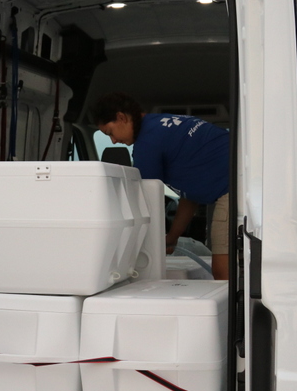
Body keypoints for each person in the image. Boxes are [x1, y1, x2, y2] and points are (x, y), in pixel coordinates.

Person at [91, 92, 230, 280]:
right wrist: (172, 236)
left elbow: (146, 203)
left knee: (222, 273)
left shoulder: (147, 144)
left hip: (231, 188)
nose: (113, 141)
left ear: (121, 117)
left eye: (110, 132)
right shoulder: (162, 124)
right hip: (250, 177)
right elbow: (190, 196)